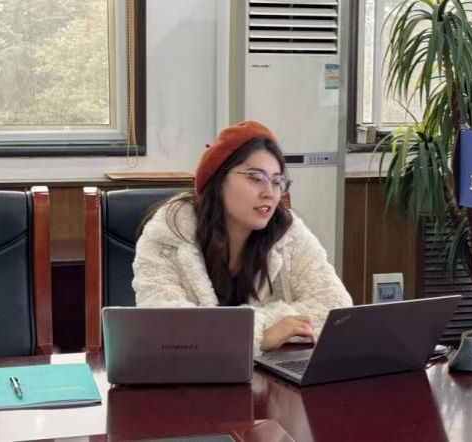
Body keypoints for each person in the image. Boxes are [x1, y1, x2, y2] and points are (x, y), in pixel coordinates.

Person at [133, 120, 353, 353]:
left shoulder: (287, 232)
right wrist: (259, 336)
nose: (270, 194)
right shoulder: (169, 232)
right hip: (187, 373)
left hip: (265, 372)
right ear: (218, 180)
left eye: (277, 182)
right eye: (256, 178)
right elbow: (163, 325)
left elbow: (335, 308)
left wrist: (242, 334)